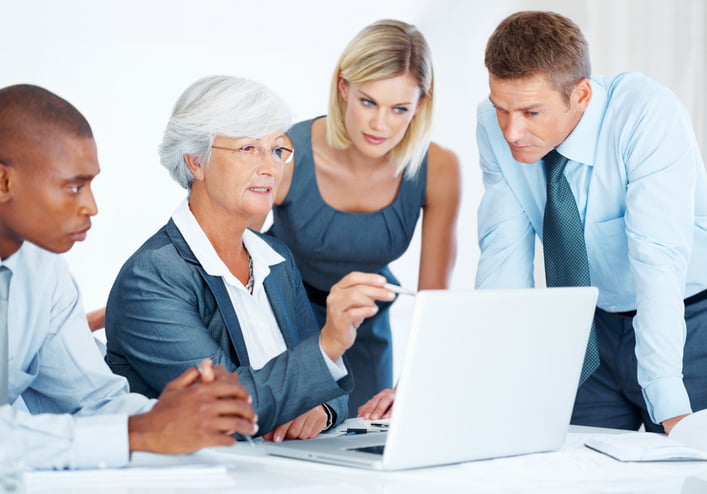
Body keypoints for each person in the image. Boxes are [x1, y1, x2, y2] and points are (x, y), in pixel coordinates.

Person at [105, 75, 392, 442]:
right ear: (196, 162)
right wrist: (329, 343)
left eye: (276, 150)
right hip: (203, 468)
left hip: (280, 462)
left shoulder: (276, 257)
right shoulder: (151, 276)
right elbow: (225, 407)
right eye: (248, 148)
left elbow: (329, 384)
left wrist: (322, 409)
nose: (270, 167)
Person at [0, 84, 257, 470]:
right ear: (4, 182)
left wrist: (176, 414)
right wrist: (137, 432)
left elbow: (94, 401)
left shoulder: (44, 271)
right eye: (74, 186)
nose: (91, 206)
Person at [475, 11, 707, 434]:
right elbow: (502, 258)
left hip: (686, 322)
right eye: (501, 109)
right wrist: (490, 381)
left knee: (680, 460)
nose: (511, 132)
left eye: (531, 112)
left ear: (580, 94)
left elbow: (657, 263)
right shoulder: (494, 127)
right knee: (572, 459)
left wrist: (671, 406)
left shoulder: (646, 114)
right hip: (589, 329)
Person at [256, 19, 461, 418]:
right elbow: (227, 264)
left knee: (368, 439)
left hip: (366, 326)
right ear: (343, 87)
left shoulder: (439, 168)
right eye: (368, 102)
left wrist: (412, 384)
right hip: (283, 321)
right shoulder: (286, 153)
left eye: (399, 109)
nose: (380, 125)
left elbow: (434, 300)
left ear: (420, 104)